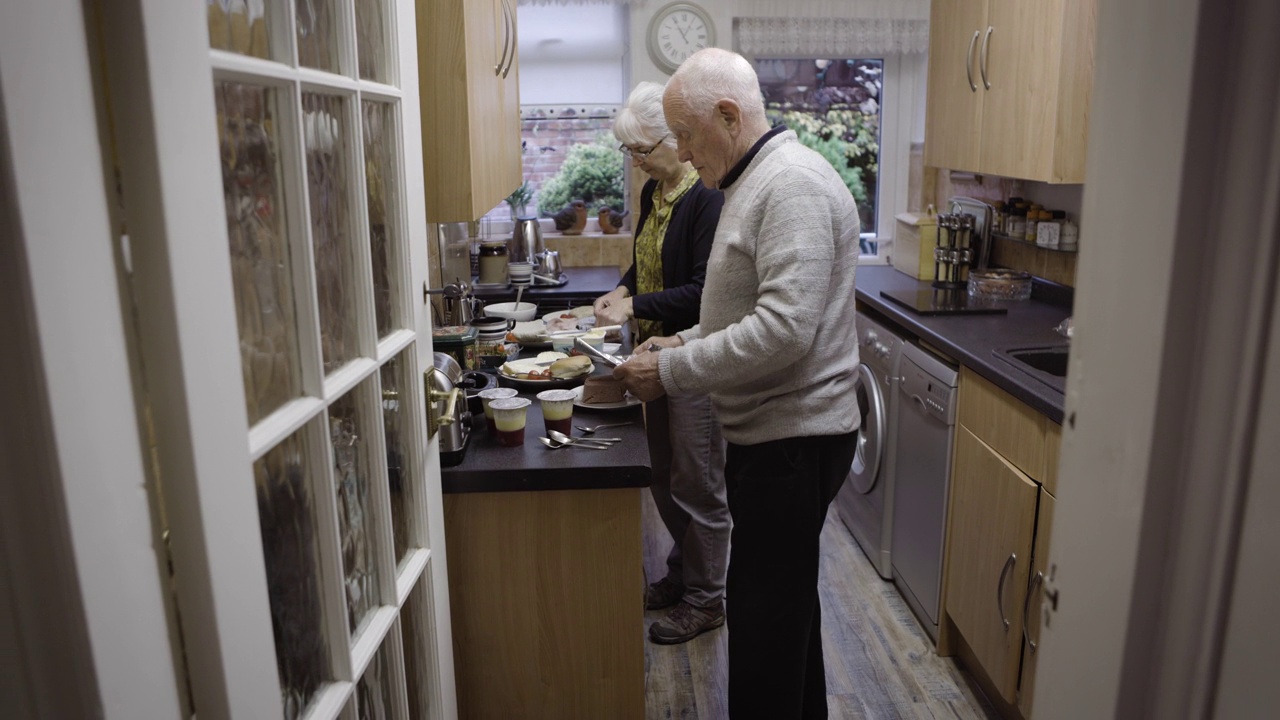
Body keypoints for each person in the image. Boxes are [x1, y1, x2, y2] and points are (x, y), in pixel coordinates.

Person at [613, 49, 861, 718]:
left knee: (763, 625)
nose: (684, 154)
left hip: (794, 441)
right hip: (777, 436)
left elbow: (783, 332)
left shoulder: (791, 187)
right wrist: (682, 340)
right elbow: (743, 313)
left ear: (728, 115)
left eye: (687, 135)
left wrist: (668, 368)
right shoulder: (749, 185)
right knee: (783, 614)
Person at [593, 81, 730, 645]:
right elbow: (645, 264)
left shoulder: (707, 199)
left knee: (698, 485)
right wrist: (618, 293)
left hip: (693, 358)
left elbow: (702, 293)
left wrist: (634, 304)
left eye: (643, 149)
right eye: (630, 152)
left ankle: (707, 599)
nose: (637, 161)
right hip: (652, 354)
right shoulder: (656, 193)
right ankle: (681, 576)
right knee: (662, 474)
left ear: (679, 138)